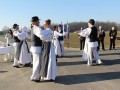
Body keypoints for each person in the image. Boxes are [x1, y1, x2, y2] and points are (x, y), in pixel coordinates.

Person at [30, 16, 42, 82]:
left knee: (35, 63)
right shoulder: (36, 28)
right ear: (35, 21)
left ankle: (35, 76)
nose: (39, 22)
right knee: (37, 63)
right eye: (38, 21)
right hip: (37, 47)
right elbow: (41, 35)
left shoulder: (33, 28)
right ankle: (35, 77)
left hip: (35, 47)